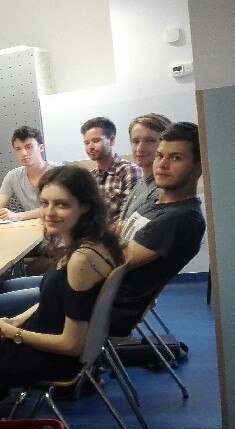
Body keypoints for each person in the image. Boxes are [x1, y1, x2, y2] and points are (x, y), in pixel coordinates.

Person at [0, 166, 123, 415]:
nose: (49, 213)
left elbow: (71, 344)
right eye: (45, 203)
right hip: (44, 346)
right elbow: (59, 301)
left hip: (47, 358)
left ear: (85, 207)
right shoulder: (97, 244)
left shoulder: (81, 260)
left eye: (61, 205)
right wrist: (14, 321)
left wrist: (13, 332)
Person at [111, 122, 205, 336]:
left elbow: (113, 260)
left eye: (176, 158)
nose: (162, 164)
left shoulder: (181, 218)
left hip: (97, 312)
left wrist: (109, 241)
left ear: (199, 167)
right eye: (160, 155)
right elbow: (114, 239)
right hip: (84, 296)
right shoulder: (154, 204)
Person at [0, 126, 59, 225]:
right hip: (33, 227)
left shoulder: (59, 172)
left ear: (41, 148)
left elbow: (54, 208)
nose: (23, 153)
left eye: (29, 147)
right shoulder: (13, 176)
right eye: (18, 149)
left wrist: (19, 216)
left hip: (60, 226)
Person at [81, 116, 143, 220]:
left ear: (112, 140)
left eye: (96, 140)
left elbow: (128, 215)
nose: (90, 147)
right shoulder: (90, 176)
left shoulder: (129, 171)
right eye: (87, 143)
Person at [119, 113, 171, 222]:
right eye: (135, 141)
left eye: (150, 141)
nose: (140, 148)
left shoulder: (165, 189)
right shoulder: (141, 184)